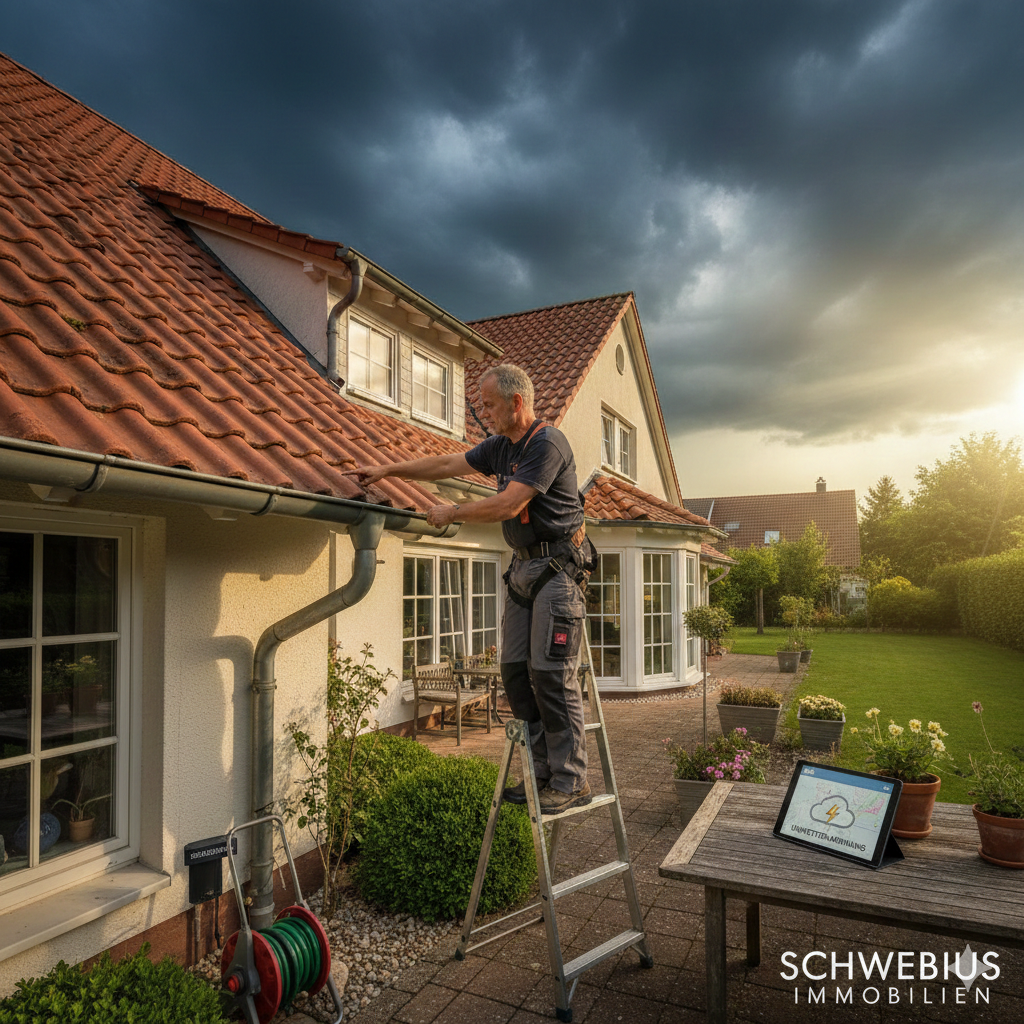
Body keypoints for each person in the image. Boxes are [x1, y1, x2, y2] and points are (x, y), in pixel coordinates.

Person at [346, 363, 594, 813]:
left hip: (557, 572)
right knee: (517, 677)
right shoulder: (500, 448)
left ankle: (571, 778)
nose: (484, 413)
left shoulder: (547, 443)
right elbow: (444, 462)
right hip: (522, 572)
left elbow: (509, 503)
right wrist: (387, 470)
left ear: (517, 402)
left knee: (552, 676)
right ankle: (541, 775)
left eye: (489, 404)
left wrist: (452, 512)